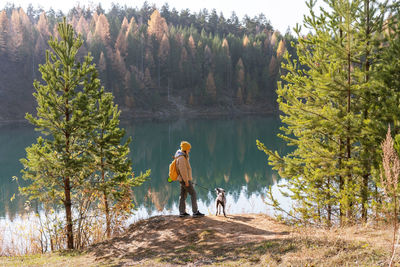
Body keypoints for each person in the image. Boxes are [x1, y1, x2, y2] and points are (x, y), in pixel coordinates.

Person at [175, 141, 204, 218]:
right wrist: (186, 181)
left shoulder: (182, 156)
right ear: (185, 149)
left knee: (183, 195)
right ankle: (195, 212)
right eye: (188, 149)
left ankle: (182, 212)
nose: (189, 150)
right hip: (184, 180)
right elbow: (183, 171)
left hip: (183, 180)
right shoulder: (181, 158)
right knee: (193, 193)